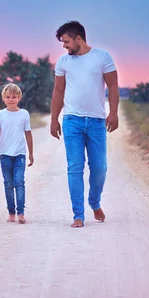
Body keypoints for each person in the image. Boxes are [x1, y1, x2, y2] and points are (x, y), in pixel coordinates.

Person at [50, 20, 119, 228]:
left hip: (97, 121)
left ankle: (94, 202)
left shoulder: (102, 57)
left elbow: (113, 86)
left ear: (79, 38)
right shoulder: (63, 62)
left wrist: (113, 113)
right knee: (75, 168)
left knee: (99, 168)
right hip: (72, 121)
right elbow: (58, 91)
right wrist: (54, 119)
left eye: (67, 41)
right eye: (63, 42)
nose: (64, 46)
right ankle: (78, 214)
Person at [0, 83, 34, 224]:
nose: (11, 99)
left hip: (20, 155)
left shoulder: (24, 114)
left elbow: (28, 134)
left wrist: (31, 154)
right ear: (3, 98)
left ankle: (21, 213)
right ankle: (11, 213)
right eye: (8, 97)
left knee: (19, 182)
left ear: (19, 97)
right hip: (5, 155)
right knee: (8, 184)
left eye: (14, 97)